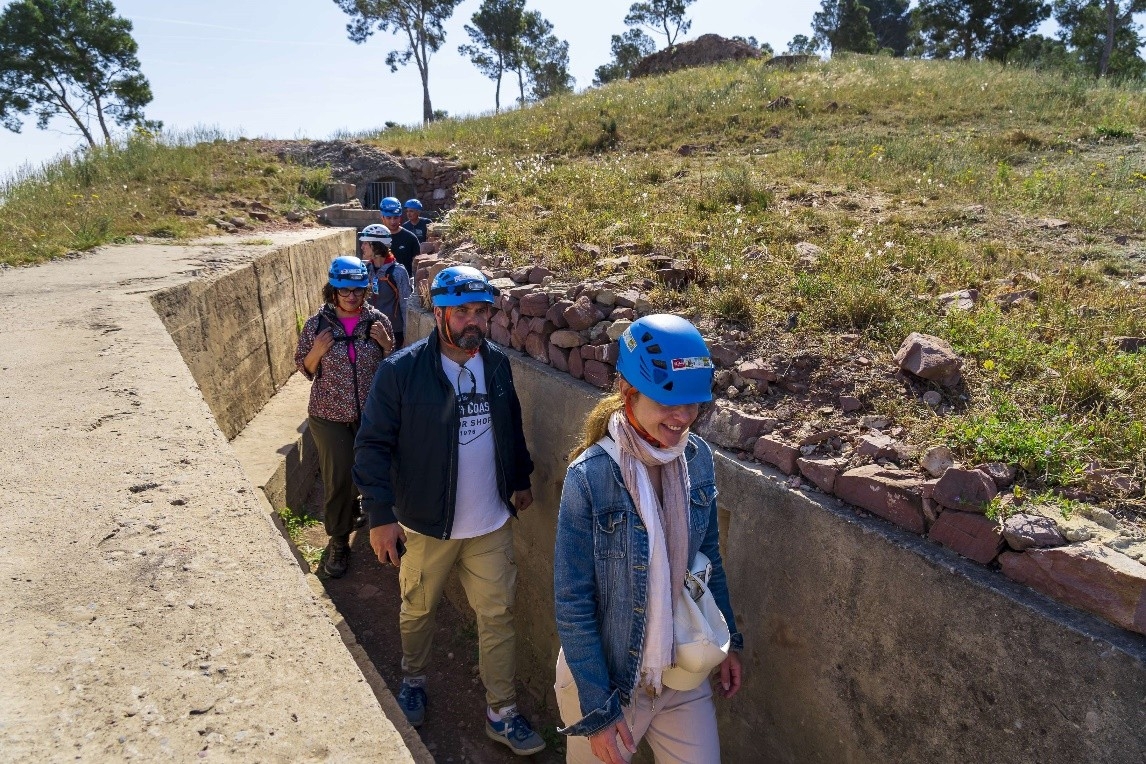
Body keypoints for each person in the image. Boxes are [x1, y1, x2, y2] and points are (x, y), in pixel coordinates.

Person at [353, 265, 546, 756]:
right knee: (418, 609)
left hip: (490, 523)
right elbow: (372, 445)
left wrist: (519, 478)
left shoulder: (496, 364)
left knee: (498, 616)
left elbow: (510, 423)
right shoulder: (401, 372)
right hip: (425, 525)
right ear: (438, 312)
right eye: (462, 311)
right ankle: (413, 680)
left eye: (481, 311)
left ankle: (501, 712)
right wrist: (379, 515)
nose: (474, 321)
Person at [553, 314, 743, 764]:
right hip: (608, 683)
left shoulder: (696, 459)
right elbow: (573, 601)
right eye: (667, 402)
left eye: (693, 404)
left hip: (679, 673)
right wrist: (598, 711)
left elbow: (708, 557)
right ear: (627, 390)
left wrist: (730, 642)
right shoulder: (589, 478)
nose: (683, 418)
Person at [294, 256, 395, 578]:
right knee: (338, 477)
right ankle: (338, 540)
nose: (352, 296)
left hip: (371, 415)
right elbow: (305, 369)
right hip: (329, 415)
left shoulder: (378, 321)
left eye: (358, 290)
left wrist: (386, 345)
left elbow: (392, 368)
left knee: (370, 470)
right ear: (333, 291)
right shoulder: (316, 325)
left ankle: (359, 510)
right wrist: (317, 351)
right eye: (344, 290)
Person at [359, 224, 412, 349]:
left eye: (366, 243)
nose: (362, 247)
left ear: (376, 246)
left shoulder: (398, 272)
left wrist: (407, 337)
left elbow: (405, 306)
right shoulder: (366, 269)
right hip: (369, 330)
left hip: (394, 332)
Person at [379, 196, 421, 274]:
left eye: (395, 218)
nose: (393, 221)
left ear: (400, 217)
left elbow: (417, 265)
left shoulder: (410, 238)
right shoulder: (375, 237)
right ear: (382, 217)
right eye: (389, 218)